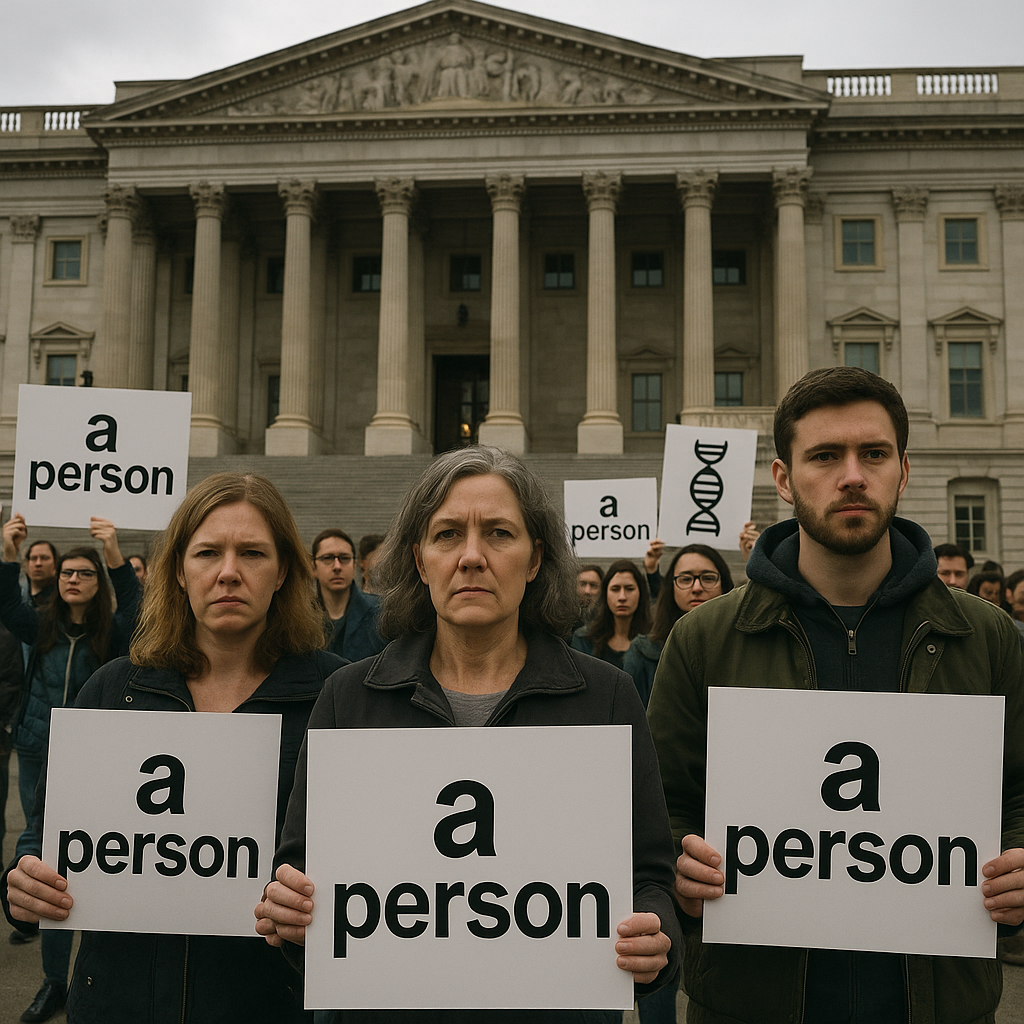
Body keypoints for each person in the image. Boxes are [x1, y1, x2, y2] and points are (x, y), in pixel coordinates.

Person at [647, 366, 1024, 1024]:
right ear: (784, 478)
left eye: (872, 454)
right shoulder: (703, 638)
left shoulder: (986, 635)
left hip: (939, 1003)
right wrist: (680, 869)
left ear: (903, 471)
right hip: (750, 1002)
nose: (853, 475)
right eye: (825, 456)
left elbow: (1019, 793)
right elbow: (655, 810)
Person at [253, 446, 681, 1022]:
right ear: (419, 559)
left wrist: (658, 942)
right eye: (448, 534)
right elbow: (303, 875)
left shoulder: (605, 696)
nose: (472, 557)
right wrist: (290, 917)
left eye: (500, 534)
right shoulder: (349, 698)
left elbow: (649, 876)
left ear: (535, 560)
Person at [4, 473, 342, 1024]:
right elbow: (41, 835)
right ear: (180, 571)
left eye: (252, 553)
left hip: (268, 1004)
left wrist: (318, 908)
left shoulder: (338, 697)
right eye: (207, 552)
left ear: (282, 571)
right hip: (119, 1002)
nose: (228, 572)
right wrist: (21, 883)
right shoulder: (114, 689)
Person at [0, 514, 141, 1022]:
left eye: (84, 572)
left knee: (98, 861)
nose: (73, 579)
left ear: (96, 581)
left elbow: (139, 608)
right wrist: (7, 553)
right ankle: (54, 981)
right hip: (40, 750)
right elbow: (5, 601)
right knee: (48, 866)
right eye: (66, 573)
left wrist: (115, 555)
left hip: (98, 763)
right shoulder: (40, 625)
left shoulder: (115, 631)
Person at [623, 545, 734, 710]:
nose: (697, 588)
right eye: (685, 579)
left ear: (724, 585)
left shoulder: (741, 649)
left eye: (708, 578)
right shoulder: (642, 651)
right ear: (671, 587)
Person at [312, 528, 386, 663]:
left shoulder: (380, 614)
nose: (337, 566)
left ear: (354, 566)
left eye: (344, 558)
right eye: (327, 558)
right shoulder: (302, 618)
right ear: (313, 568)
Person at [571, 559, 651, 671]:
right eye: (615, 589)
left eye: (629, 589)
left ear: (641, 593)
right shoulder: (584, 639)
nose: (622, 597)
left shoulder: (653, 641)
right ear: (605, 594)